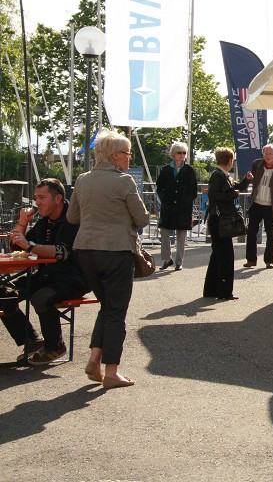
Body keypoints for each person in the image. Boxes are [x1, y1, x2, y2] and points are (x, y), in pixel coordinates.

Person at [68, 129, 150, 388]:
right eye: (127, 153)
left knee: (107, 306)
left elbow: (72, 217)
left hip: (86, 250)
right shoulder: (124, 181)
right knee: (116, 312)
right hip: (116, 251)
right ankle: (112, 371)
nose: (129, 157)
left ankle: (95, 358)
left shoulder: (82, 180)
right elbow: (143, 218)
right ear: (115, 156)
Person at [0, 178, 90, 365]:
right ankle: (32, 340)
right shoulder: (44, 221)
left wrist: (29, 245)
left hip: (72, 279)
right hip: (46, 276)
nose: (37, 202)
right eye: (35, 198)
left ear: (57, 199)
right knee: (3, 295)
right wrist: (23, 223)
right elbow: (19, 247)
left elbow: (62, 252)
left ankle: (55, 346)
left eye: (42, 197)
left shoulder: (72, 219)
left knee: (41, 298)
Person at [240, 144, 273, 269]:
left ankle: (269, 260)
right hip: (256, 203)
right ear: (263, 154)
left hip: (272, 206)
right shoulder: (256, 164)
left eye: (270, 154)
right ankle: (251, 260)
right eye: (266, 154)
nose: (268, 156)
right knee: (251, 232)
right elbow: (251, 179)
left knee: (271, 234)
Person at [204, 147, 241, 300]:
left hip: (216, 219)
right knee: (226, 256)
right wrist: (233, 194)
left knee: (217, 255)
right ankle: (224, 291)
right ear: (230, 161)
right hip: (220, 220)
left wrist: (246, 181)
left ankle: (211, 289)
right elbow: (215, 195)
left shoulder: (219, 174)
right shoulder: (219, 176)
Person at [156, 141, 198, 271]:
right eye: (179, 152)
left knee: (181, 235)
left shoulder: (189, 170)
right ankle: (167, 259)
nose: (182, 155)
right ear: (173, 154)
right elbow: (160, 187)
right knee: (164, 231)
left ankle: (179, 262)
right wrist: (164, 200)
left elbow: (193, 190)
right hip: (168, 207)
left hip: (183, 207)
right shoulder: (166, 169)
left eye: (184, 153)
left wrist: (186, 200)